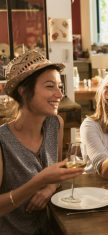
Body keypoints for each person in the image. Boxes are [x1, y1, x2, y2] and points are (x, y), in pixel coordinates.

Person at [0, 50, 84, 234]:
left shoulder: (55, 124)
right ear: (23, 91)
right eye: (49, 86)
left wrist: (50, 187)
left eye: (59, 87)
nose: (59, 95)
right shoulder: (2, 141)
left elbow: (57, 173)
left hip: (52, 226)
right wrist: (40, 181)